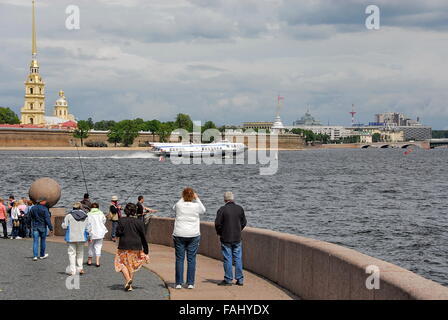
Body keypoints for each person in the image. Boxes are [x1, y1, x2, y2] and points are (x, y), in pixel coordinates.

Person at [172, 187, 206, 289]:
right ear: (192, 196)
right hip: (193, 234)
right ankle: (190, 283)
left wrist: (183, 197)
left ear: (183, 195)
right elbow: (203, 210)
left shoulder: (179, 205)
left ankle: (178, 283)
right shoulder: (196, 206)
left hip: (179, 234)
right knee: (191, 259)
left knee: (179, 259)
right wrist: (197, 198)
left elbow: (174, 207)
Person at [114, 203, 149, 292]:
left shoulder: (121, 220)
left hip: (124, 245)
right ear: (135, 211)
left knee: (120, 263)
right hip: (136, 245)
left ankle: (128, 279)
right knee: (131, 265)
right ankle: (129, 286)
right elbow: (143, 236)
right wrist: (146, 250)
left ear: (126, 211)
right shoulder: (139, 222)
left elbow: (117, 233)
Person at [215, 191, 247, 286]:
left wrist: (220, 233)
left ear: (225, 199)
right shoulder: (239, 209)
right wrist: (238, 230)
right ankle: (240, 279)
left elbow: (217, 224)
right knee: (238, 258)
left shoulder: (222, 209)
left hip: (226, 238)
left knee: (227, 258)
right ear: (233, 198)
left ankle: (228, 279)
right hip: (237, 237)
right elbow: (244, 222)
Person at [62, 202, 89, 276]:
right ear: (80, 207)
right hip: (81, 237)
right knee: (80, 253)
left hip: (71, 237)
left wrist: (63, 224)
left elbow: (64, 226)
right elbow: (88, 228)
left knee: (71, 254)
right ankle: (80, 268)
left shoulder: (69, 215)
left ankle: (73, 271)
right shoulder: (85, 216)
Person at [87, 203, 107, 267]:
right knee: (98, 247)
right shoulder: (101, 213)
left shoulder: (89, 214)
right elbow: (104, 221)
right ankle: (97, 262)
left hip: (92, 233)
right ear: (98, 208)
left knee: (90, 246)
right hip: (100, 232)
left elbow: (87, 224)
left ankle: (89, 261)